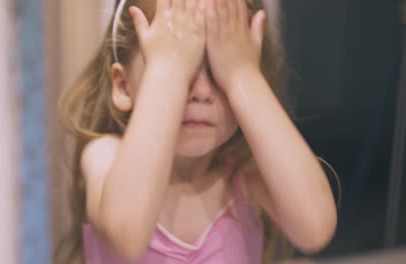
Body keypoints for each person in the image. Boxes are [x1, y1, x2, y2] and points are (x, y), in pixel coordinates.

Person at [57, 0, 338, 263]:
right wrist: (169, 73)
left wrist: (242, 76)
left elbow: (315, 227)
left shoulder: (245, 175)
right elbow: (126, 234)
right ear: (122, 85)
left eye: (217, 69)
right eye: (183, 67)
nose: (201, 93)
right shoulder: (105, 155)